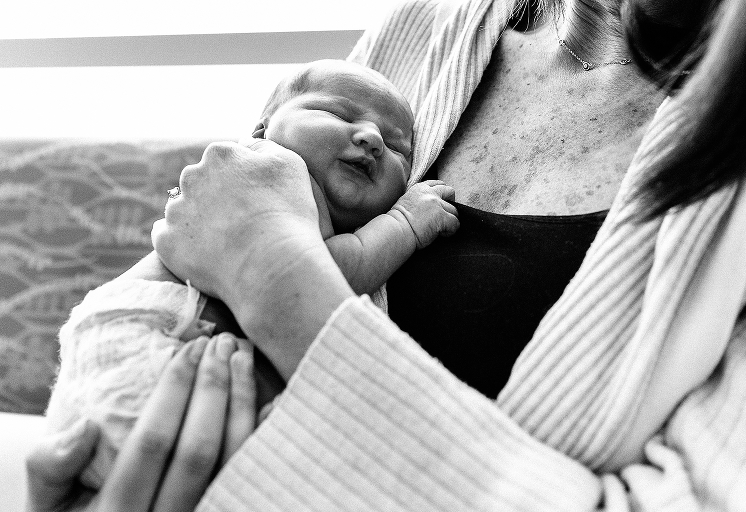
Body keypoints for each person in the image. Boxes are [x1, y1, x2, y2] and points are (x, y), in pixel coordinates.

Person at [30, 0, 746, 510]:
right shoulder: (423, 29)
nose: (373, 142)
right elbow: (204, 267)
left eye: (395, 146)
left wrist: (278, 279)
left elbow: (261, 248)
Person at [42, 58, 458, 489]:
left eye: (397, 149)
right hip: (146, 341)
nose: (372, 139)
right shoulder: (270, 168)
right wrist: (404, 223)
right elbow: (324, 277)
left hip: (146, 373)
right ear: (262, 130)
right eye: (337, 113)